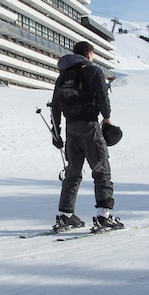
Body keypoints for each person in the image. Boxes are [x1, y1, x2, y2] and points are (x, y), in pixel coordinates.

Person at [50, 40, 121, 232]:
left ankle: (66, 215)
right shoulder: (93, 71)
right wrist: (107, 119)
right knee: (101, 169)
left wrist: (56, 133)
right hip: (90, 126)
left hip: (70, 128)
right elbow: (103, 97)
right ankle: (104, 215)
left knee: (72, 171)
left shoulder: (63, 75)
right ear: (89, 54)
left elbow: (55, 106)